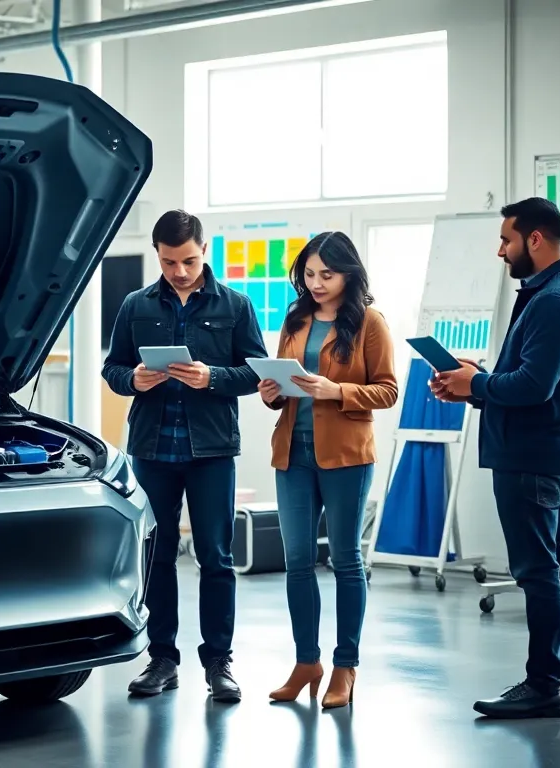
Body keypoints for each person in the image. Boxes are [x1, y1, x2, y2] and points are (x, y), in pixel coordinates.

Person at [429, 197, 560, 719]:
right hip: (546, 453)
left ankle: (543, 685)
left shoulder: (554, 300)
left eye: (506, 239)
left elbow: (533, 386)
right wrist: (474, 383)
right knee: (557, 564)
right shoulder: (557, 294)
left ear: (534, 239)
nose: (499, 250)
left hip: (531, 457)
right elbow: (529, 377)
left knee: (537, 571)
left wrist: (476, 382)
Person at [101, 209, 268, 702]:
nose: (180, 271)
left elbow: (258, 374)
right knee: (157, 556)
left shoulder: (235, 305)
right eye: (171, 261)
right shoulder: (135, 305)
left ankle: (219, 662)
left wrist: (211, 377)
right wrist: (133, 379)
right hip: (153, 448)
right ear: (158, 254)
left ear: (204, 251)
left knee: (217, 557)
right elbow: (113, 368)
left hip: (211, 450)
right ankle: (162, 659)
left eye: (189, 260)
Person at [257, 232, 398, 709]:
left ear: (349, 274)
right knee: (297, 561)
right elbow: (278, 380)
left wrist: (334, 390)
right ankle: (306, 662)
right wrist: (272, 390)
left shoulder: (370, 323)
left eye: (327, 275)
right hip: (292, 453)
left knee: (344, 560)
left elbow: (387, 390)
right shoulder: (295, 318)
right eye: (310, 274)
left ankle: (346, 665)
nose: (316, 283)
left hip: (346, 455)